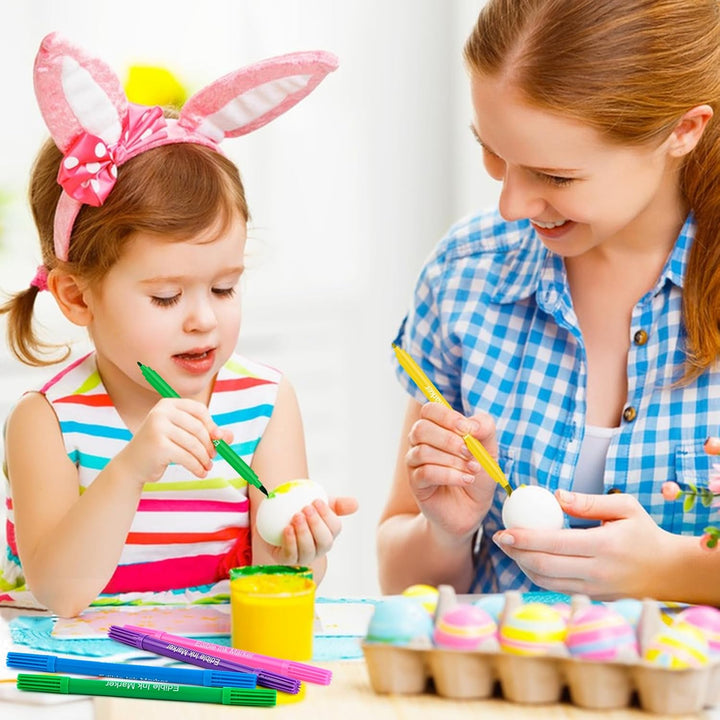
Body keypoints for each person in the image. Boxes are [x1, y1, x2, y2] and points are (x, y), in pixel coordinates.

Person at [0, 33, 357, 617]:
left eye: (224, 288)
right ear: (76, 297)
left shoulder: (263, 403)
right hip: (74, 675)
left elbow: (274, 581)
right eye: (166, 297)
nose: (203, 319)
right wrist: (133, 467)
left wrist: (301, 546)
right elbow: (59, 594)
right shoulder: (49, 422)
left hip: (210, 674)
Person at [378, 0, 720, 605]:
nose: (511, 204)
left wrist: (668, 570)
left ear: (683, 132)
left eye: (555, 176)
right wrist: (446, 531)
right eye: (493, 151)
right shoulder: (468, 272)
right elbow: (405, 582)